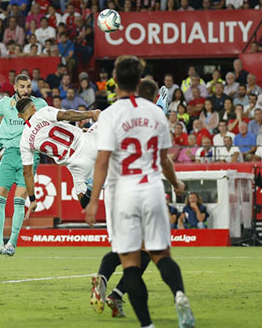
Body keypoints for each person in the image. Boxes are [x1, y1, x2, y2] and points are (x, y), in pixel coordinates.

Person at [84, 55, 195, 328]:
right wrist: (175, 184)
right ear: (139, 79)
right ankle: (179, 295)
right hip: (153, 190)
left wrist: (93, 201)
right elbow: (165, 159)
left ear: (115, 80)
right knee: (160, 255)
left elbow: (102, 160)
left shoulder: (110, 114)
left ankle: (147, 324)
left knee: (131, 262)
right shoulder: (156, 112)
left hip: (123, 194)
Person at [0, 74, 47, 259]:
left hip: (29, 155)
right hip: (8, 154)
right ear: (15, 87)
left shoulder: (40, 105)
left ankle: (12, 242)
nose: (25, 90)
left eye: (28, 86)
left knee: (19, 200)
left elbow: (54, 122)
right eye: (22, 86)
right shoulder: (5, 103)